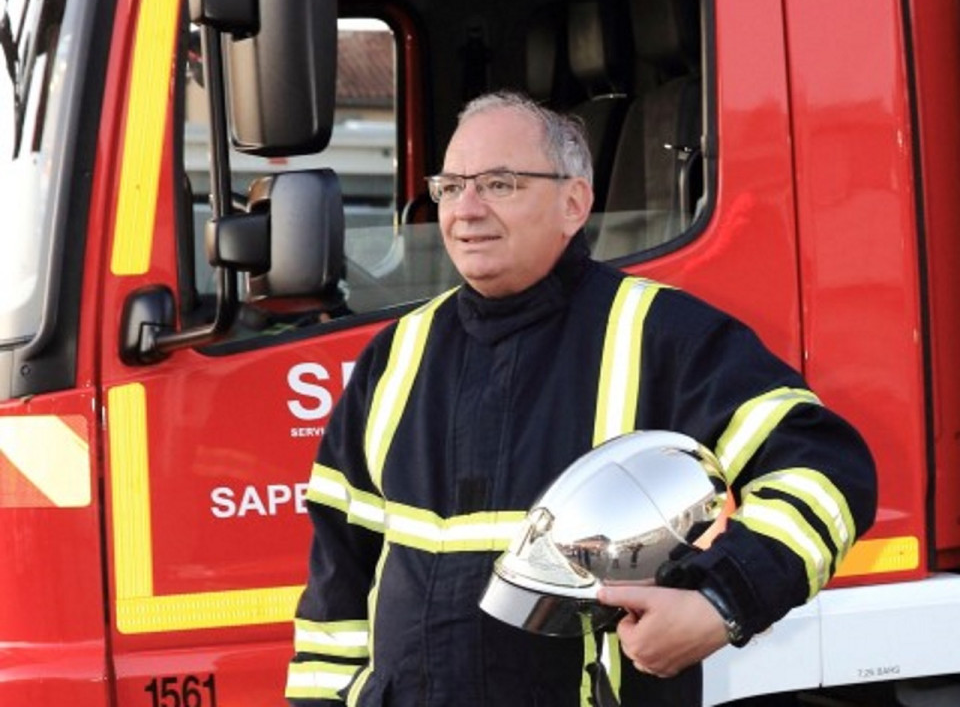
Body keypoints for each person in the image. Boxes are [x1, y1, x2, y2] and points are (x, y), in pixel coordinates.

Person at [284, 91, 877, 707]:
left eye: (499, 183)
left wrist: (719, 601)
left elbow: (824, 472)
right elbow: (337, 585)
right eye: (451, 185)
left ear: (574, 203)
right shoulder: (394, 355)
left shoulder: (662, 335)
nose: (466, 209)